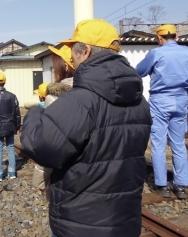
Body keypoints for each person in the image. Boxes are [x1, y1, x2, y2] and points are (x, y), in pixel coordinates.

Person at [20, 19, 151, 237]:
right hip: (125, 219)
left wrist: (35, 114)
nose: (71, 57)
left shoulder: (80, 101)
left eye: (73, 51)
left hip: (80, 222)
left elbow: (42, 147)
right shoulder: (139, 101)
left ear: (86, 51)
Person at [136, 25, 188, 199]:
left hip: (160, 100)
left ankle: (161, 184)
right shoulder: (186, 52)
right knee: (178, 144)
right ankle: (181, 185)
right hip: (181, 100)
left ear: (159, 38)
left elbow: (139, 71)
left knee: (158, 143)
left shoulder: (156, 53)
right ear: (177, 36)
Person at [32, 49, 74, 196]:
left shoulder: (54, 97)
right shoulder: (93, 90)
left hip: (64, 172)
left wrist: (40, 179)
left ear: (66, 67)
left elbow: (51, 142)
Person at [0, 72, 21, 182]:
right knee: (11, 148)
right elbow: (17, 113)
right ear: (4, 82)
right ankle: (12, 173)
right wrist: (17, 127)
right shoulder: (12, 96)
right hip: (10, 127)